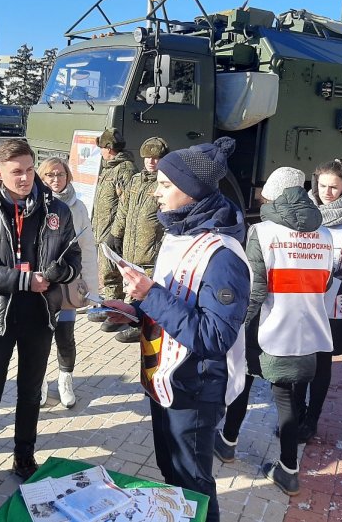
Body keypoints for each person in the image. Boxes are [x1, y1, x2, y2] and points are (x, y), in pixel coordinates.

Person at [104, 137, 251, 522]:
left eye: (167, 185)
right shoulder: (179, 233)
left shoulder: (222, 256)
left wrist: (150, 296)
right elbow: (177, 304)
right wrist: (135, 311)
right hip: (165, 377)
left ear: (193, 191)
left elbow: (214, 337)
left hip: (196, 386)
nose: (156, 192)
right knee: (171, 472)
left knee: (193, 483)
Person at [0, 139, 81, 507]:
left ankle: (24, 457)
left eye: (30, 170)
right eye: (17, 171)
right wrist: (22, 280)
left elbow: (73, 252)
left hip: (39, 315)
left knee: (31, 393)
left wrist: (66, 270)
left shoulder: (55, 208)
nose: (26, 177)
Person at [214, 167, 334, 496]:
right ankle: (288, 471)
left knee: (243, 381)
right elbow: (326, 283)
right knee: (287, 397)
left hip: (264, 326)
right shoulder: (325, 234)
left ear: (275, 195)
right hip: (306, 328)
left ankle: (227, 443)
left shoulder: (262, 232)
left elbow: (254, 292)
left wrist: (237, 327)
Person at [294, 158, 342, 442]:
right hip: (300, 301)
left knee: (321, 365)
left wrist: (331, 283)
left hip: (332, 305)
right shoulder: (302, 211)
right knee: (300, 362)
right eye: (323, 185)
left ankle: (311, 420)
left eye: (333, 187)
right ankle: (296, 414)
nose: (327, 192)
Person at [37, 157, 99, 408]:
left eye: (59, 174)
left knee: (65, 335)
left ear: (68, 177)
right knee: (39, 335)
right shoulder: (34, 205)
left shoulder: (78, 207)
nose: (55, 179)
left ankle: (65, 379)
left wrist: (92, 288)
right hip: (40, 284)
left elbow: (87, 248)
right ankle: (39, 381)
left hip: (68, 283)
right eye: (49, 175)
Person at [104, 137, 169, 344]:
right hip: (132, 247)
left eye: (156, 157)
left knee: (146, 289)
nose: (151, 161)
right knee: (131, 282)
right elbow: (123, 210)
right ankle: (128, 316)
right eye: (148, 157)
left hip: (151, 250)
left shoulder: (165, 184)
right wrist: (115, 233)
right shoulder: (135, 181)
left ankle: (141, 324)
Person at [90, 128, 137, 312]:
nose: (100, 151)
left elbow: (126, 204)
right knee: (106, 271)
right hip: (102, 231)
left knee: (112, 273)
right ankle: (110, 305)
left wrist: (115, 233)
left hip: (112, 232)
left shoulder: (124, 169)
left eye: (101, 147)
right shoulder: (110, 168)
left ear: (109, 148)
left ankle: (114, 309)